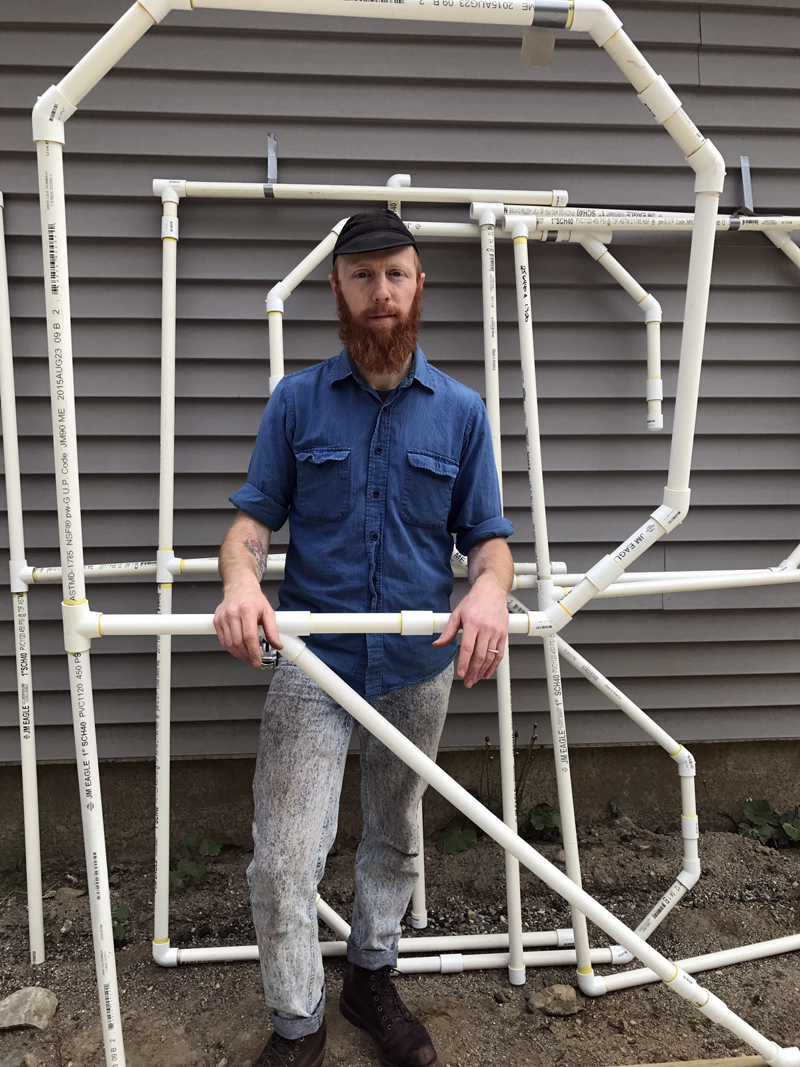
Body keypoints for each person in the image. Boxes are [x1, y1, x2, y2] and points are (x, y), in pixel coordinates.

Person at [214, 209, 514, 1067]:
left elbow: (488, 539)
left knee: (394, 833)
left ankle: (370, 976)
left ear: (420, 285)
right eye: (362, 276)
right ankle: (297, 1023)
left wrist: (489, 588)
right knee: (283, 859)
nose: (380, 292)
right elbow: (249, 526)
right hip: (314, 663)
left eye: (396, 275)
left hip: (417, 667)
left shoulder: (460, 413)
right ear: (336, 289)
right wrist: (240, 580)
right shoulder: (296, 401)